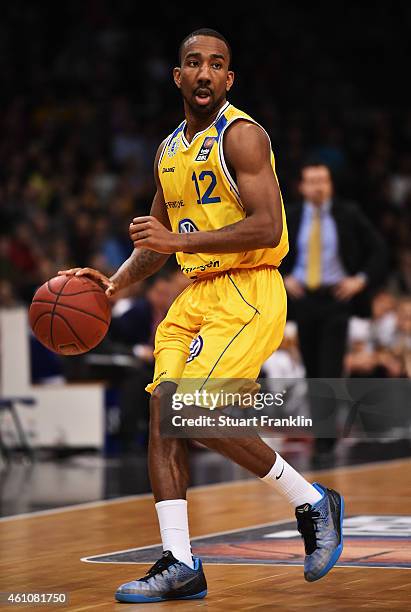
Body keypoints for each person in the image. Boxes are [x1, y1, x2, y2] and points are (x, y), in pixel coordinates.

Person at [60, 29, 344, 604]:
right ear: (178, 77)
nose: (206, 73)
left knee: (188, 414)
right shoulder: (169, 151)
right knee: (164, 416)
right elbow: (158, 243)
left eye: (217, 64)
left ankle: (311, 501)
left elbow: (267, 227)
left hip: (248, 289)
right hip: (195, 295)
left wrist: (176, 241)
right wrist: (113, 285)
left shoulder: (242, 137)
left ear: (229, 78)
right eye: (195, 63)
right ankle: (180, 563)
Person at [282, 160, 387, 462]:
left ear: (330, 185)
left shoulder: (348, 214)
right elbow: (269, 252)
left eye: (322, 181)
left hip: (336, 300)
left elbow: (378, 249)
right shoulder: (292, 215)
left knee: (329, 369)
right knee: (311, 370)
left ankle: (326, 441)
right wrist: (284, 276)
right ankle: (321, 435)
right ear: (302, 186)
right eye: (311, 181)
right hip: (303, 300)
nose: (317, 186)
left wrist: (360, 280)